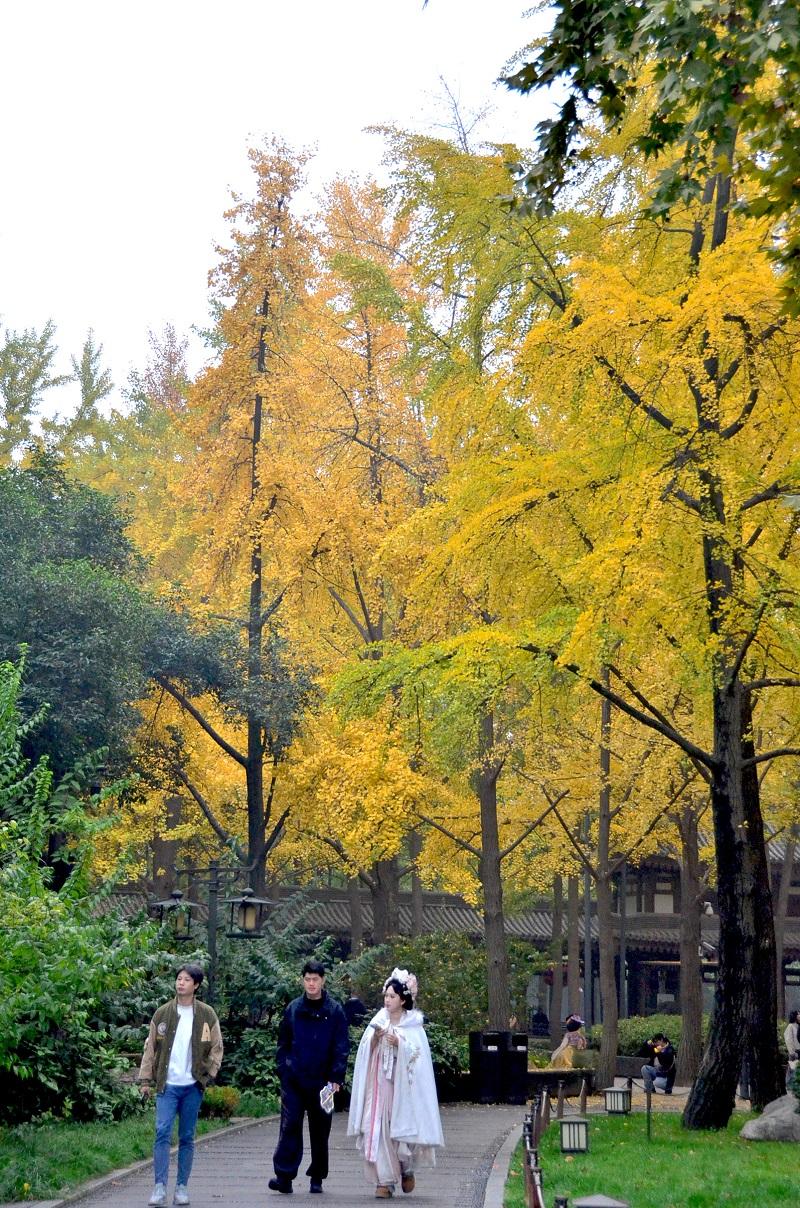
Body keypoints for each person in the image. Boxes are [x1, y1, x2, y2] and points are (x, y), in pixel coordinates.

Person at [348, 967, 444, 1199]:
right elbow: (364, 1051)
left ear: (403, 999)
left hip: (404, 1090)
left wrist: (400, 1044)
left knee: (400, 1130)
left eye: (392, 996)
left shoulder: (413, 1026)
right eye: (386, 996)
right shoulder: (379, 1020)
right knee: (379, 1129)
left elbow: (418, 1059)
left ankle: (406, 1168)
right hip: (380, 1085)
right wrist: (375, 1040)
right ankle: (385, 1180)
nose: (388, 1000)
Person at [138, 964, 223, 1208]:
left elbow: (217, 1047)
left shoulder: (207, 1014)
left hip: (192, 1085)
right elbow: (150, 1049)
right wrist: (145, 1080)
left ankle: (182, 1187)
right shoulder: (162, 1013)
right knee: (162, 1132)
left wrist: (208, 1074)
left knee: (187, 1136)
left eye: (186, 980)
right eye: (178, 979)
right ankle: (159, 1186)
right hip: (168, 1085)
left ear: (196, 985)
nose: (181, 983)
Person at [269, 960, 349, 1196]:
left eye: (315, 979)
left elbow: (341, 1045)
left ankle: (317, 1177)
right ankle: (284, 1176)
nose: (311, 984)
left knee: (320, 1128)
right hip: (294, 1079)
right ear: (302, 980)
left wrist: (336, 1077)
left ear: (323, 981)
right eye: (307, 979)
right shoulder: (293, 1009)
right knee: (290, 1125)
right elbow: (283, 1042)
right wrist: (283, 1069)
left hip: (324, 1082)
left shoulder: (334, 1011)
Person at [784, 1008, 799, 1091]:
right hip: (794, 1051)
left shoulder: (797, 1026)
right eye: (798, 1014)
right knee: (792, 1069)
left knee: (793, 1069)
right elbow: (788, 1039)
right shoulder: (791, 1026)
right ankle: (789, 1085)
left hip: (798, 1051)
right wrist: (792, 1052)